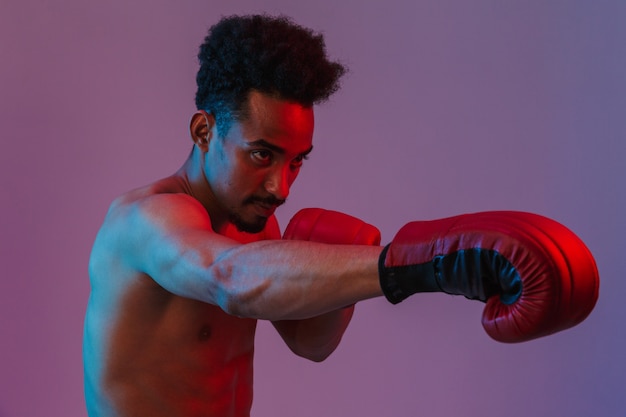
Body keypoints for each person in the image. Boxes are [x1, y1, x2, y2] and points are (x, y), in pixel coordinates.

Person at [83, 13, 598, 417]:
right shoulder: (146, 221)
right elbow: (229, 279)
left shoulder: (254, 219)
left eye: (297, 161)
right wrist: (411, 267)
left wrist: (342, 266)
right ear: (203, 132)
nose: (279, 187)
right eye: (262, 154)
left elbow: (311, 344)